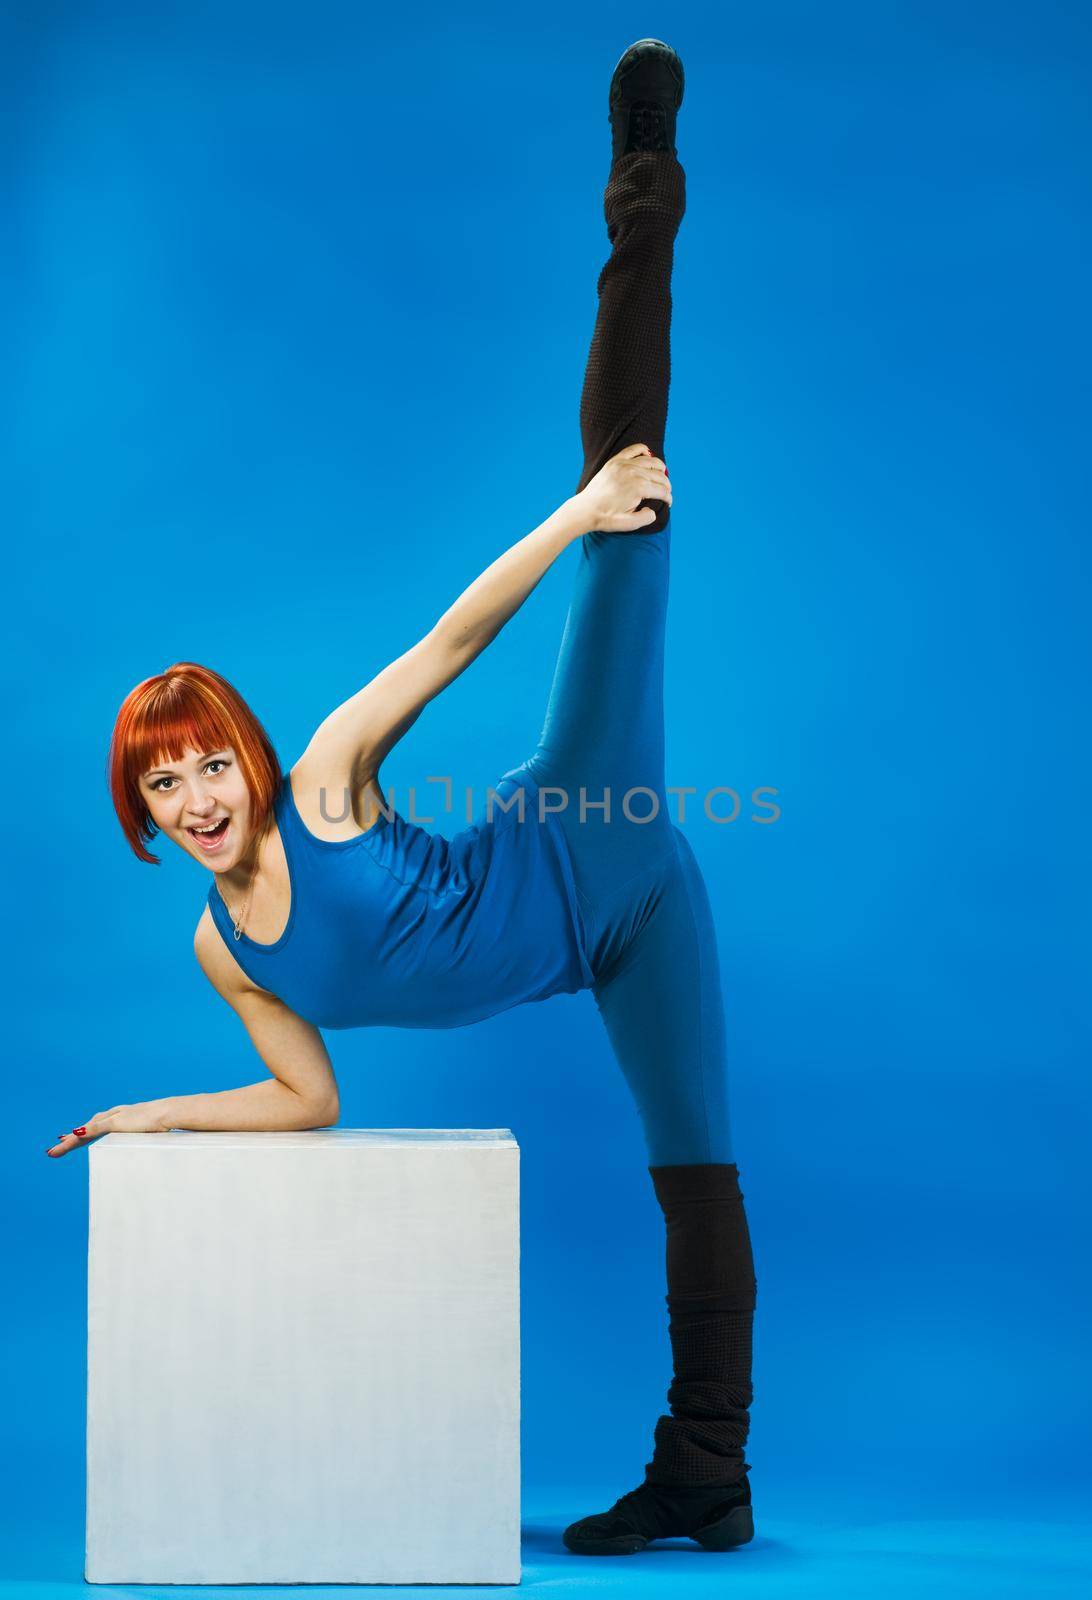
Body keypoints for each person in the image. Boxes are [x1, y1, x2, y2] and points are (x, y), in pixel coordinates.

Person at [49, 39, 759, 1558]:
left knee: (633, 500)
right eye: (161, 782)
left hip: (585, 826)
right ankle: (710, 1480)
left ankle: (644, 172)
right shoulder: (223, 953)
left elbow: (449, 636)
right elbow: (312, 1100)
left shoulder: (321, 777)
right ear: (146, 809)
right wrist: (152, 1118)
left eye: (203, 759)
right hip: (606, 948)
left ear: (246, 750)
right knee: (691, 1173)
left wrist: (574, 515)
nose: (193, 793)